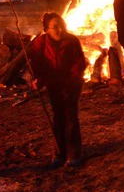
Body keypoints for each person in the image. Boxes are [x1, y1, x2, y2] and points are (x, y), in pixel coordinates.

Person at [30, 13, 87, 168]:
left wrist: (70, 82)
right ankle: (59, 153)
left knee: (70, 117)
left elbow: (80, 64)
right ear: (46, 29)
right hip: (53, 85)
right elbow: (37, 66)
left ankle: (74, 154)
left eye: (61, 25)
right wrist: (37, 80)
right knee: (57, 117)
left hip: (71, 85)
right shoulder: (40, 44)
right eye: (55, 27)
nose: (60, 29)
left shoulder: (72, 41)